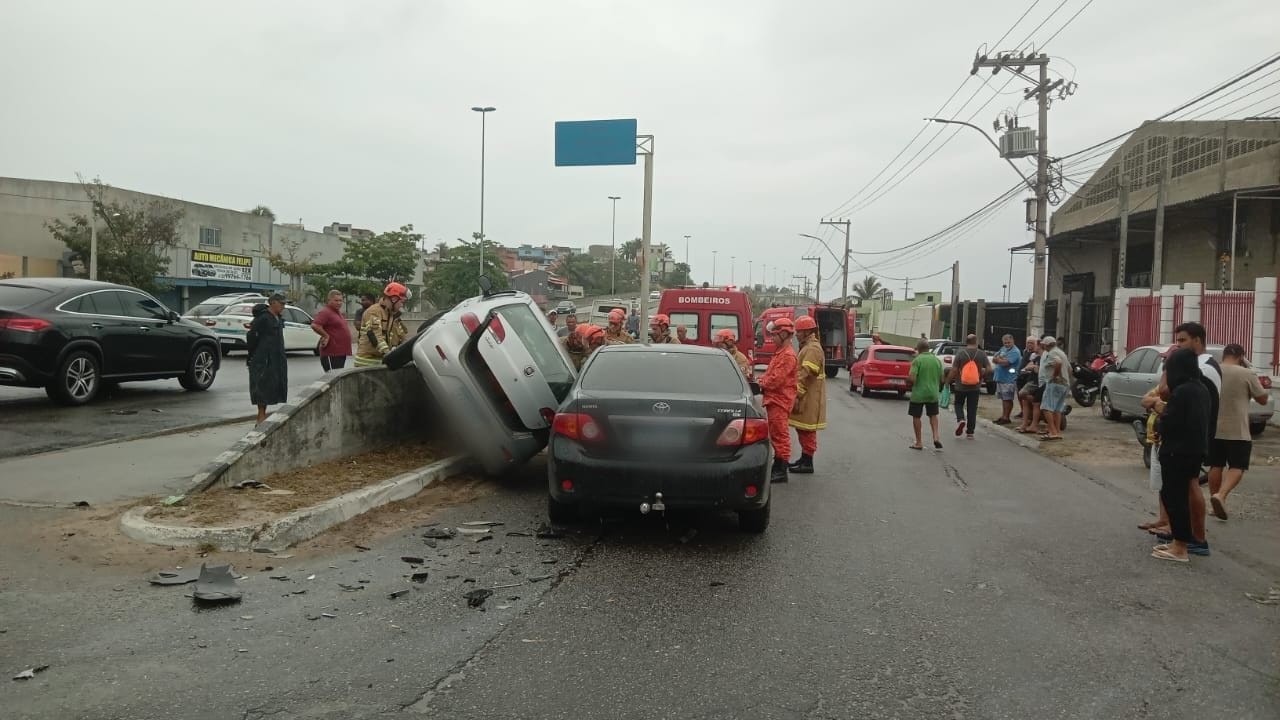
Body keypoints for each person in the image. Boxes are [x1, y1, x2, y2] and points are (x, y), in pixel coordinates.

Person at [1151, 348, 1211, 563]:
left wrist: (1159, 412)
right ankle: (1180, 541)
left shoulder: (1182, 391)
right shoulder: (1200, 388)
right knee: (1179, 496)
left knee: (1174, 497)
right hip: (1195, 450)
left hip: (1178, 450)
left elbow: (1169, 423)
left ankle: (1180, 547)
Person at [1207, 343, 1267, 521]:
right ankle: (1221, 496)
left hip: (1213, 428)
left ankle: (1213, 503)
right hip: (1238, 430)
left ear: (1224, 355)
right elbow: (1263, 399)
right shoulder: (1246, 373)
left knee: (1215, 465)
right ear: (1241, 356)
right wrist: (1248, 372)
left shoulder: (1213, 370)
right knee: (1237, 466)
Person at [758, 318, 798, 484]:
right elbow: (771, 375)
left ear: (783, 334)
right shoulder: (781, 352)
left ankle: (781, 470)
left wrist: (761, 383)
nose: (772, 338)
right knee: (776, 434)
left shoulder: (787, 355)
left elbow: (776, 380)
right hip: (775, 399)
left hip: (780, 400)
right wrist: (762, 380)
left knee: (780, 435)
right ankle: (779, 465)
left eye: (774, 335)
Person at [788, 315, 827, 473]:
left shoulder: (812, 349)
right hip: (807, 394)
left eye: (799, 331)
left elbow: (807, 373)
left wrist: (797, 392)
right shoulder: (809, 346)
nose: (796, 334)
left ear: (806, 332)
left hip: (809, 395)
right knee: (803, 428)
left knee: (807, 429)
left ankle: (807, 462)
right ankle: (804, 458)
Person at [247, 294, 288, 424]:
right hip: (263, 358)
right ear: (273, 303)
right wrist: (254, 355)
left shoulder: (278, 318)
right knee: (262, 386)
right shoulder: (263, 318)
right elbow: (252, 337)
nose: (283, 306)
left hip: (277, 357)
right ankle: (260, 417)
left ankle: (264, 415)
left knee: (273, 386)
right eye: (281, 303)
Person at [354, 282, 410, 367]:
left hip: (380, 363)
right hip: (367, 363)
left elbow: (401, 337)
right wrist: (388, 353)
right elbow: (375, 336)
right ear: (394, 299)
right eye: (402, 302)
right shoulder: (374, 311)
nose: (402, 305)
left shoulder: (391, 315)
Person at [945, 334, 990, 439]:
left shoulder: (961, 353)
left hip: (961, 385)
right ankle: (970, 432)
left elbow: (954, 370)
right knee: (972, 408)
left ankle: (961, 419)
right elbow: (989, 368)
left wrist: (947, 381)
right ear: (976, 341)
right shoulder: (981, 354)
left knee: (958, 404)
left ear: (966, 342)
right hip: (975, 386)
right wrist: (981, 375)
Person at [907, 338, 945, 451]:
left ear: (918, 349)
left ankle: (919, 442)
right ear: (928, 348)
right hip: (933, 393)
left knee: (916, 416)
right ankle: (936, 436)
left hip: (919, 394)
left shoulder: (917, 361)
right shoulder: (936, 361)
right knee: (933, 415)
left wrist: (907, 380)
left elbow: (912, 379)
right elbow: (942, 379)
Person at [1037, 336, 1070, 441]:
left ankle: (1053, 431)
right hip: (1064, 384)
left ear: (1046, 345)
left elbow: (1058, 363)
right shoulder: (1061, 352)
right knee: (1057, 409)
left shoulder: (1052, 353)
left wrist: (1054, 376)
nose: (1042, 346)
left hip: (1055, 383)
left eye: (1043, 344)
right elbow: (1070, 369)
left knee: (1046, 407)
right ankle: (1057, 432)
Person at [311, 290, 352, 372]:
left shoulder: (337, 312)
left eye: (340, 300)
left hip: (340, 353)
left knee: (337, 377)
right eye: (336, 300)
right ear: (329, 300)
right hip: (331, 353)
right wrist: (326, 336)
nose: (339, 303)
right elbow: (315, 325)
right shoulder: (326, 312)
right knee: (332, 378)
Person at [990, 334, 1022, 424]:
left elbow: (1006, 363)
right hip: (1000, 378)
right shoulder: (1003, 349)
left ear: (1013, 341)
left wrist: (999, 360)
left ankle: (1006, 417)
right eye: (1005, 342)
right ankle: (1003, 416)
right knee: (1003, 399)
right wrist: (999, 359)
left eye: (1008, 342)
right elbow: (994, 359)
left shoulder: (1015, 351)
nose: (1007, 344)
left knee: (1007, 398)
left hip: (1009, 379)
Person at [1016, 337, 1042, 433]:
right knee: (1024, 401)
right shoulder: (1034, 356)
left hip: (1037, 383)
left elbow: (1040, 370)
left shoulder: (1044, 357)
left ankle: (1034, 424)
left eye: (1033, 343)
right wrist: (1033, 367)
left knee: (1034, 402)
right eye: (1028, 343)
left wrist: (1034, 368)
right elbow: (1028, 366)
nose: (1030, 345)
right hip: (1029, 379)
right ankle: (1024, 423)